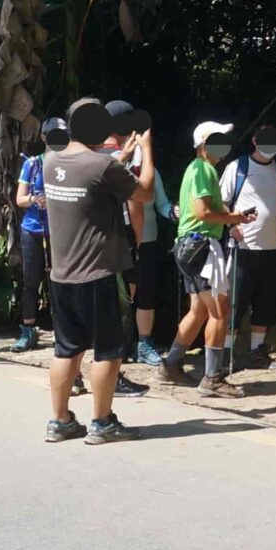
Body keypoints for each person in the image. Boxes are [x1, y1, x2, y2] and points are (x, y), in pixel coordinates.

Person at [42, 97, 146, 444]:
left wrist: (122, 159)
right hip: (97, 273)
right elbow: (141, 192)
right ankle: (102, 423)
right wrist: (147, 151)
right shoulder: (103, 167)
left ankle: (60, 422)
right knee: (108, 350)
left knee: (67, 349)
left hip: (61, 274)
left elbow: (91, 179)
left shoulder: (50, 160)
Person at [166, 121, 252, 393]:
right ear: (204, 144)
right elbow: (203, 212)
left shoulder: (199, 169)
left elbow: (210, 207)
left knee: (200, 309)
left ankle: (170, 365)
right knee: (220, 310)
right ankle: (212, 378)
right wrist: (234, 218)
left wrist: (231, 215)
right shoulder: (203, 169)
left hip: (190, 247)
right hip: (202, 247)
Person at [223, 123, 276, 370]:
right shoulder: (237, 168)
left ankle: (257, 352)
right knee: (235, 303)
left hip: (272, 248)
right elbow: (221, 202)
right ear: (254, 140)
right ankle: (224, 355)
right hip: (242, 249)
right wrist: (230, 225)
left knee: (266, 303)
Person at [107, 100, 172, 368]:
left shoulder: (149, 168)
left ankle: (144, 343)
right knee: (119, 299)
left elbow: (162, 203)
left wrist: (176, 213)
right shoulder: (110, 162)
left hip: (148, 240)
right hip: (124, 239)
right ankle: (119, 352)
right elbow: (137, 199)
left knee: (146, 294)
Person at [11, 116, 69, 351]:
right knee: (31, 281)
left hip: (59, 230)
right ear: (44, 137)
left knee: (60, 281)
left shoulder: (69, 165)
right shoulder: (32, 164)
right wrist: (35, 199)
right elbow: (20, 199)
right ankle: (28, 331)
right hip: (33, 229)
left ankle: (62, 331)